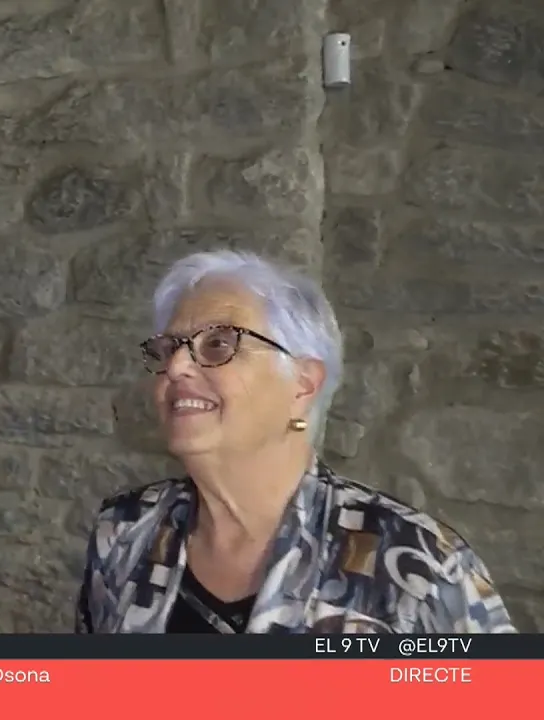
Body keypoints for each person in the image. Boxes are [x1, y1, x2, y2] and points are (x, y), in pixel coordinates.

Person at [75, 250, 515, 634]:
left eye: (219, 344)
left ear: (303, 386)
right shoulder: (128, 531)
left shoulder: (420, 563)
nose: (176, 368)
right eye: (170, 348)